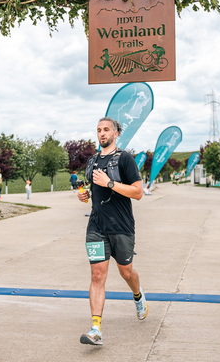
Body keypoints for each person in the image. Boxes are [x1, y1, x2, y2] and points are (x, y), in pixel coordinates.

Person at [76, 117, 147, 346]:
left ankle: (138, 296)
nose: (102, 133)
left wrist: (109, 183)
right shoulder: (92, 161)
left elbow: (138, 192)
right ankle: (96, 329)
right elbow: (93, 191)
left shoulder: (125, 159)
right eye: (98, 130)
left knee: (126, 272)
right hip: (97, 226)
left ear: (116, 134)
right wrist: (85, 195)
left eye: (106, 129)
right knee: (97, 275)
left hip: (122, 226)